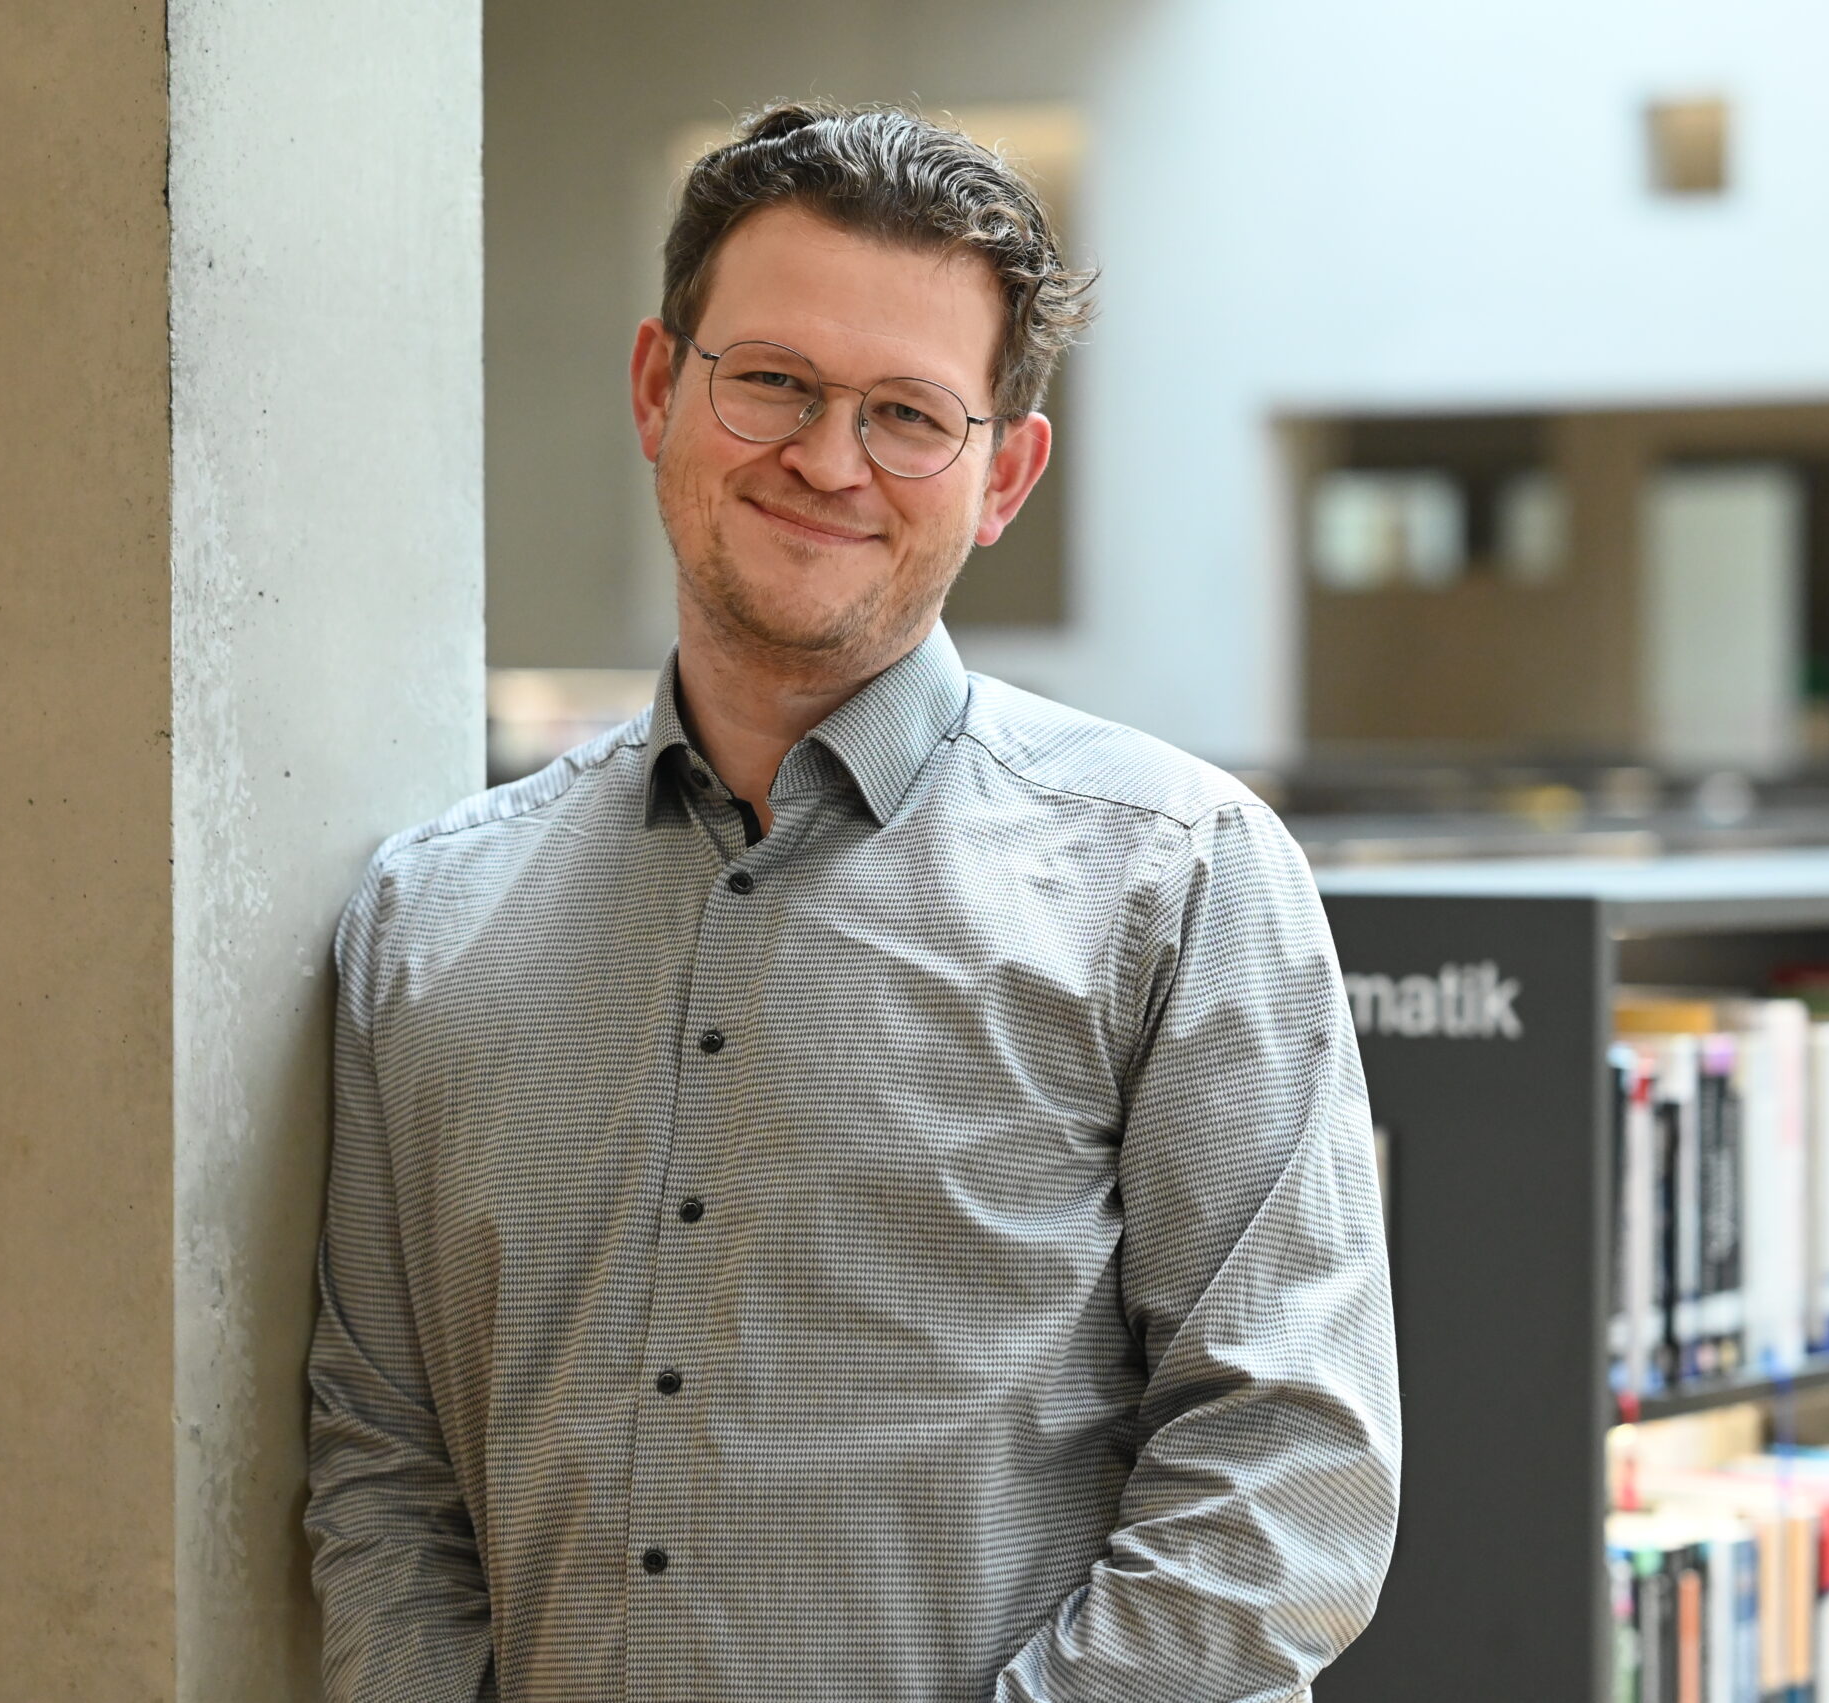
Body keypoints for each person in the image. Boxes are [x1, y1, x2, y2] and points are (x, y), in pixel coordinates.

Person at [303, 100, 1400, 1703]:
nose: (827, 460)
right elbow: (381, 1464)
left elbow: (1284, 1475)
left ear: (1004, 473)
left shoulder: (1178, 875)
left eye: (908, 414)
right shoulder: (424, 917)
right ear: (657, 389)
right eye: (773, 383)